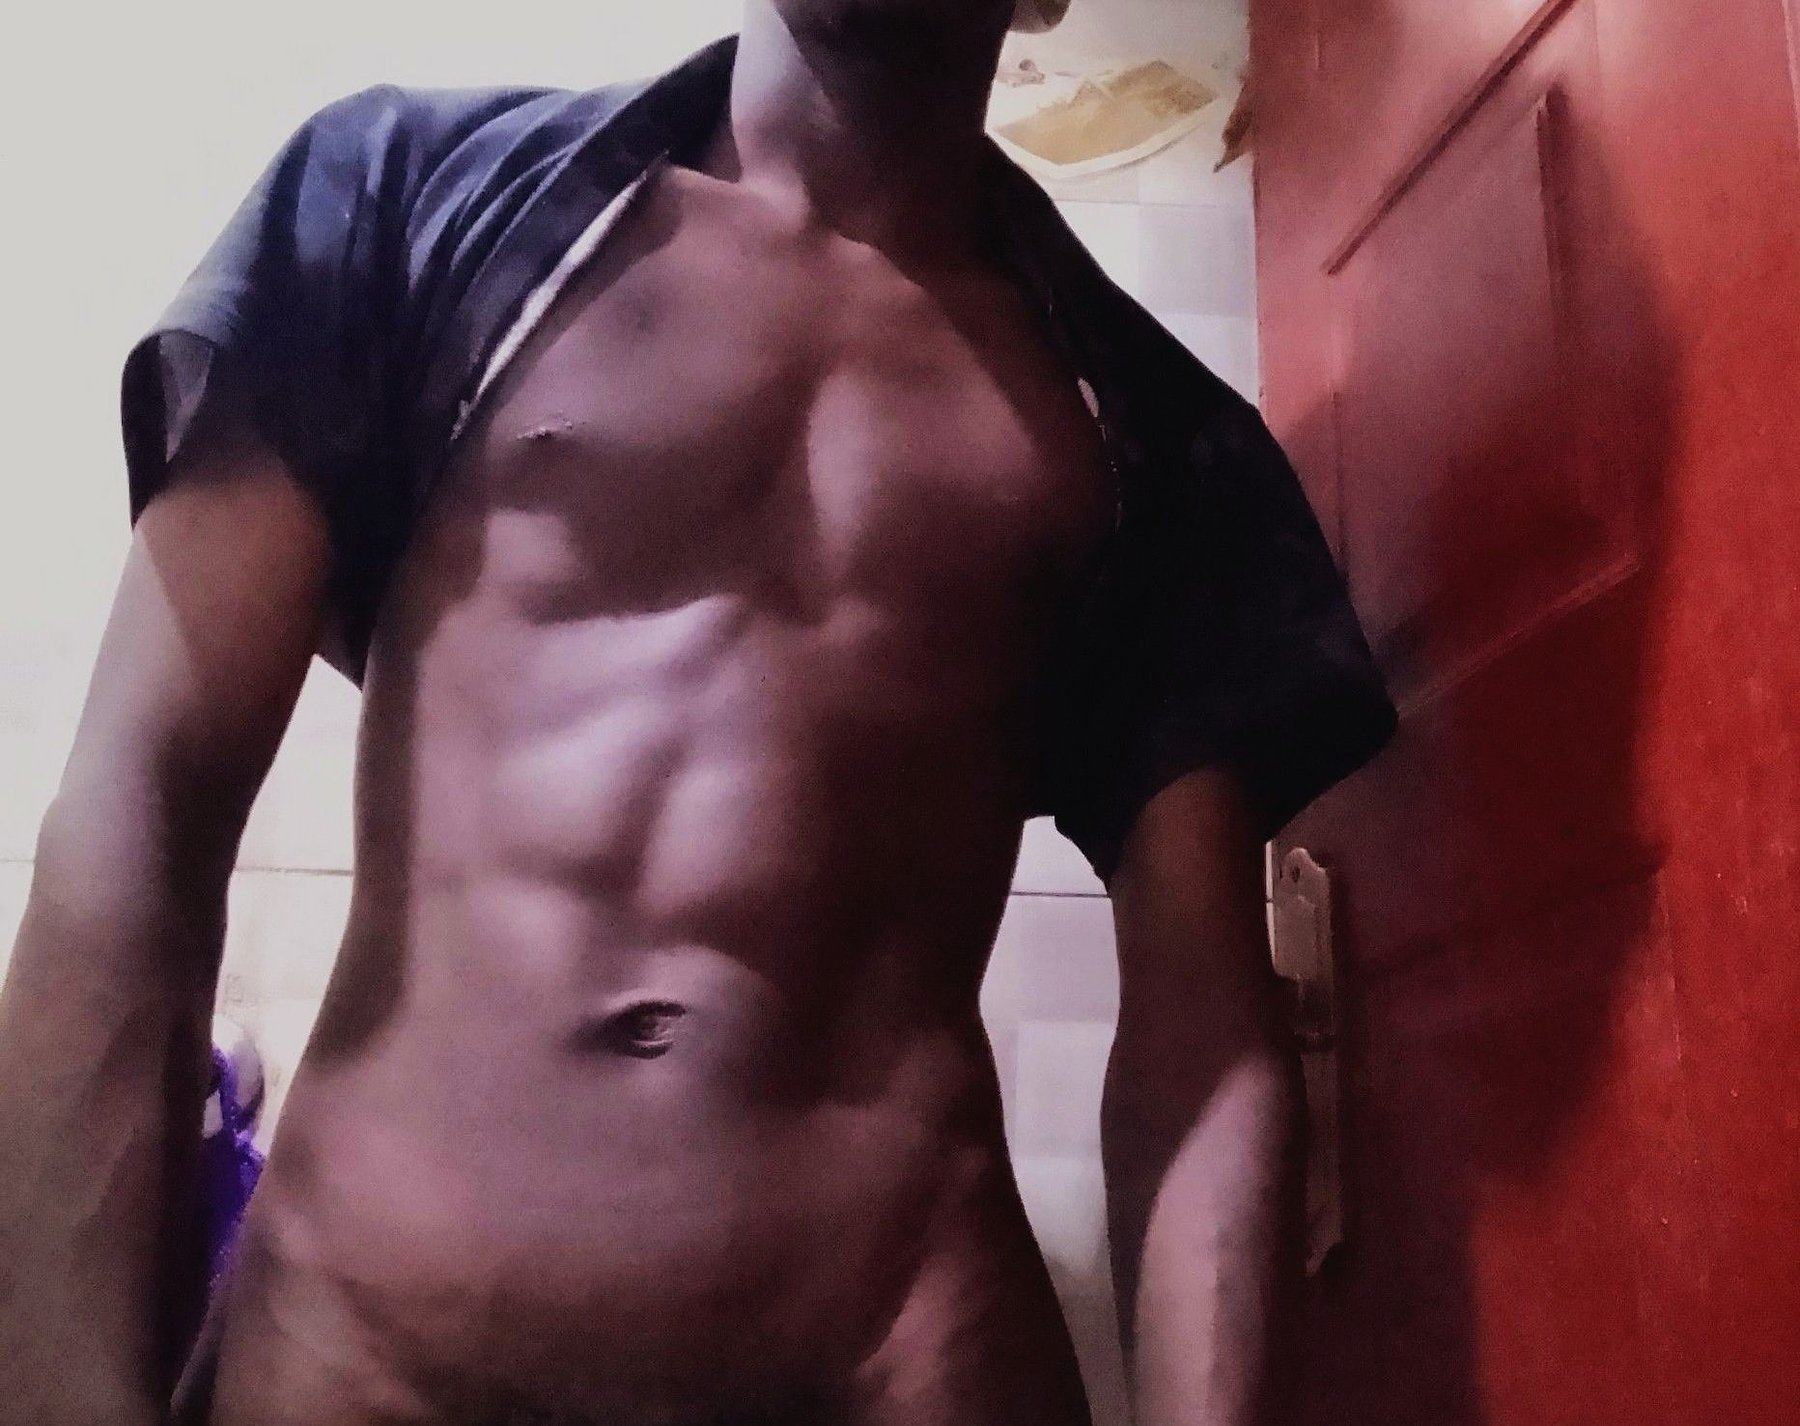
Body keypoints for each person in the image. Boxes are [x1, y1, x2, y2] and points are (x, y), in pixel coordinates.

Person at [0, 1, 1395, 1422]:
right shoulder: (403, 199)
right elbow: (137, 819)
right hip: (368, 1362)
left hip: (895, 1366)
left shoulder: (1154, 442)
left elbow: (1205, 1047)